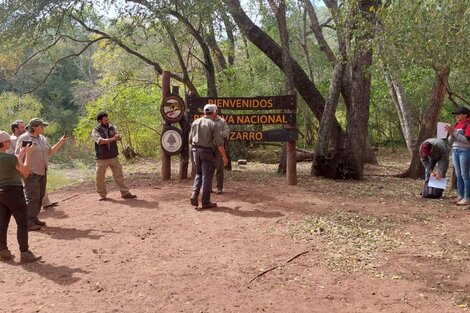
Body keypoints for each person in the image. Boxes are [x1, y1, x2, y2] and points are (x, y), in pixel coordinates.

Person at [16, 118, 66, 230]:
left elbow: (51, 152)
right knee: (32, 197)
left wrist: (60, 142)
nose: (43, 128)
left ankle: (33, 218)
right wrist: (23, 170)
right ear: (34, 127)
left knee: (39, 197)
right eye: (41, 126)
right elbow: (18, 155)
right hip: (31, 173)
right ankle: (28, 222)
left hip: (42, 172)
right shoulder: (24, 138)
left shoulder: (43, 138)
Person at [0, 130, 42, 263]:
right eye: (8, 141)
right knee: (22, 223)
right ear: (4, 143)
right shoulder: (10, 158)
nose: (10, 143)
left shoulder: (10, 158)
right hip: (13, 192)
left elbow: (13, 163)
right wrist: (28, 155)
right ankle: (25, 253)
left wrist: (22, 153)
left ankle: (3, 251)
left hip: (1, 193)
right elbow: (25, 172)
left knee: (2, 223)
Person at [91, 111, 137, 201]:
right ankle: (102, 195)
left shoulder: (113, 127)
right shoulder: (95, 130)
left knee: (119, 175)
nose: (107, 121)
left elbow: (118, 137)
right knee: (99, 177)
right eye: (105, 120)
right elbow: (100, 141)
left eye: (107, 119)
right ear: (100, 121)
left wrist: (119, 137)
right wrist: (113, 139)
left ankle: (125, 193)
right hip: (101, 158)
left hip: (113, 156)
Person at [190, 104, 228, 209]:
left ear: (204, 112)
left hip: (195, 151)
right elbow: (219, 143)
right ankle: (205, 202)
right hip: (207, 151)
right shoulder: (213, 124)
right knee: (207, 176)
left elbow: (190, 139)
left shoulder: (195, 122)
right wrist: (224, 156)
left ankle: (194, 194)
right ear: (214, 113)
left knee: (199, 174)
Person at [445, 107, 470, 205]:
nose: (457, 116)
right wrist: (451, 134)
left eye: (459, 114)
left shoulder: (468, 125)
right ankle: (461, 195)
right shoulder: (456, 125)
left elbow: (466, 140)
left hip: (465, 151)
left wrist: (454, 132)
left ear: (465, 115)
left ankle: (467, 197)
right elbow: (450, 142)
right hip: (455, 150)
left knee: (465, 175)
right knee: (458, 175)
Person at [212, 108, 230, 194]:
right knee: (208, 168)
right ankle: (208, 187)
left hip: (219, 147)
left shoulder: (222, 121)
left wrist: (218, 135)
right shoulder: (205, 120)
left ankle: (219, 188)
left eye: (215, 110)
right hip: (208, 147)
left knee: (219, 167)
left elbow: (227, 132)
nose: (214, 112)